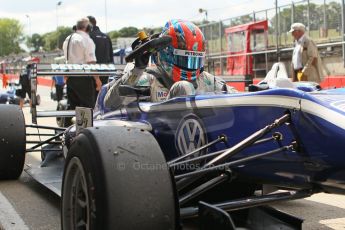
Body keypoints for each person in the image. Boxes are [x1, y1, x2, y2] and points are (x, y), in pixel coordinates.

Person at [104, 19, 236, 110]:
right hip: (157, 141)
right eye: (185, 60)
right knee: (183, 87)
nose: (190, 66)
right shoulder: (146, 79)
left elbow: (239, 98)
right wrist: (137, 70)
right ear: (167, 54)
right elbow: (109, 104)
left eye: (194, 61)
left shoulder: (206, 79)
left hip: (200, 138)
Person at [62, 17, 102, 110]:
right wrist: (97, 80)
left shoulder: (68, 39)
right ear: (88, 28)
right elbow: (91, 62)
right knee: (87, 108)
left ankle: (74, 125)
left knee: (73, 108)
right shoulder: (87, 40)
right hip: (83, 78)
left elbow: (66, 58)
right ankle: (87, 125)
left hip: (70, 77)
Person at [87, 15, 114, 85]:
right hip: (106, 70)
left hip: (93, 72)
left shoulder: (89, 36)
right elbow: (111, 56)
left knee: (94, 94)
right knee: (104, 93)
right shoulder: (106, 37)